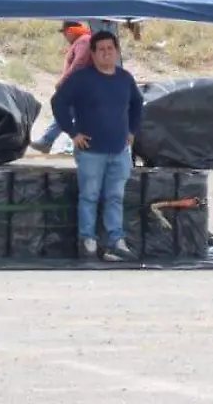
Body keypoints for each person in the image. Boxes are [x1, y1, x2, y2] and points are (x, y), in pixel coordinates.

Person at [50, 30, 144, 261]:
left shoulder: (125, 78)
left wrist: (132, 131)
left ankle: (115, 241)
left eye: (110, 49)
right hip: (90, 152)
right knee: (89, 196)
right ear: (92, 53)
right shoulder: (81, 79)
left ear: (117, 51)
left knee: (115, 197)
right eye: (100, 50)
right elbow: (58, 102)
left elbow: (137, 103)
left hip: (119, 151)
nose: (106, 53)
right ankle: (88, 241)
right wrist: (72, 133)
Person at [31, 21, 94, 153]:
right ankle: (49, 141)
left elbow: (79, 63)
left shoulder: (84, 41)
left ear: (70, 31)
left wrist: (64, 82)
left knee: (65, 111)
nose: (65, 37)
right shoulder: (85, 40)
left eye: (65, 33)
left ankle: (47, 141)